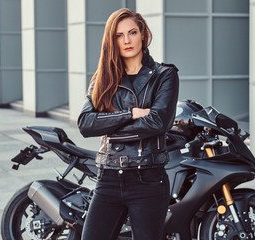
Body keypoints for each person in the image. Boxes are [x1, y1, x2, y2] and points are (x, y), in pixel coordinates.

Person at [77, 8, 179, 240]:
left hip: (148, 180)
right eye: (119, 35)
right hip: (109, 177)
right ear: (111, 40)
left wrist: (108, 125)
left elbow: (157, 122)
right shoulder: (103, 78)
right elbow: (85, 124)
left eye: (132, 32)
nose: (126, 40)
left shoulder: (164, 75)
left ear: (143, 33)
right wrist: (131, 113)